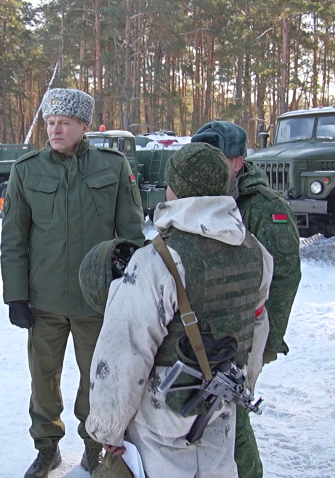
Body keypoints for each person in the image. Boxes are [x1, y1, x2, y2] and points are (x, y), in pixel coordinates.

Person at [84, 142, 274, 477]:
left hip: (163, 416)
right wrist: (246, 385)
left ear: (174, 189)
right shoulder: (257, 253)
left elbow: (124, 349)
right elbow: (256, 329)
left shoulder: (158, 260)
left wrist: (108, 428)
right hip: (221, 406)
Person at [0, 88, 146, 478]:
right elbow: (13, 238)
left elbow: (131, 235)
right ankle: (46, 448)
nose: (55, 129)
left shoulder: (112, 167)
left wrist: (128, 291)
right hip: (43, 299)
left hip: (95, 301)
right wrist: (15, 296)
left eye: (64, 122)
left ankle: (93, 444)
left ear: (84, 126)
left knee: (96, 379)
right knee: (43, 379)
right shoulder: (27, 170)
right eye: (50, 122)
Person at [191, 121, 302, 478]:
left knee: (230, 415)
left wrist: (264, 341)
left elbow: (283, 277)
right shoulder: (199, 196)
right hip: (201, 335)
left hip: (244, 337)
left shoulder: (264, 208)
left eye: (215, 158)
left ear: (237, 162)